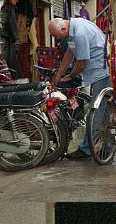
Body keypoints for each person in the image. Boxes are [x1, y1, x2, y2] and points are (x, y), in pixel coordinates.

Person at [47, 16, 109, 160]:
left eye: (58, 36)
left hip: (101, 72)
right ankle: (105, 146)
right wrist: (58, 75)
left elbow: (81, 63)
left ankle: (87, 149)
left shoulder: (80, 33)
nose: (58, 40)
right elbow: (70, 53)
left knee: (96, 111)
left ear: (63, 29)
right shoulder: (72, 31)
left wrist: (70, 76)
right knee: (104, 112)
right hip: (96, 72)